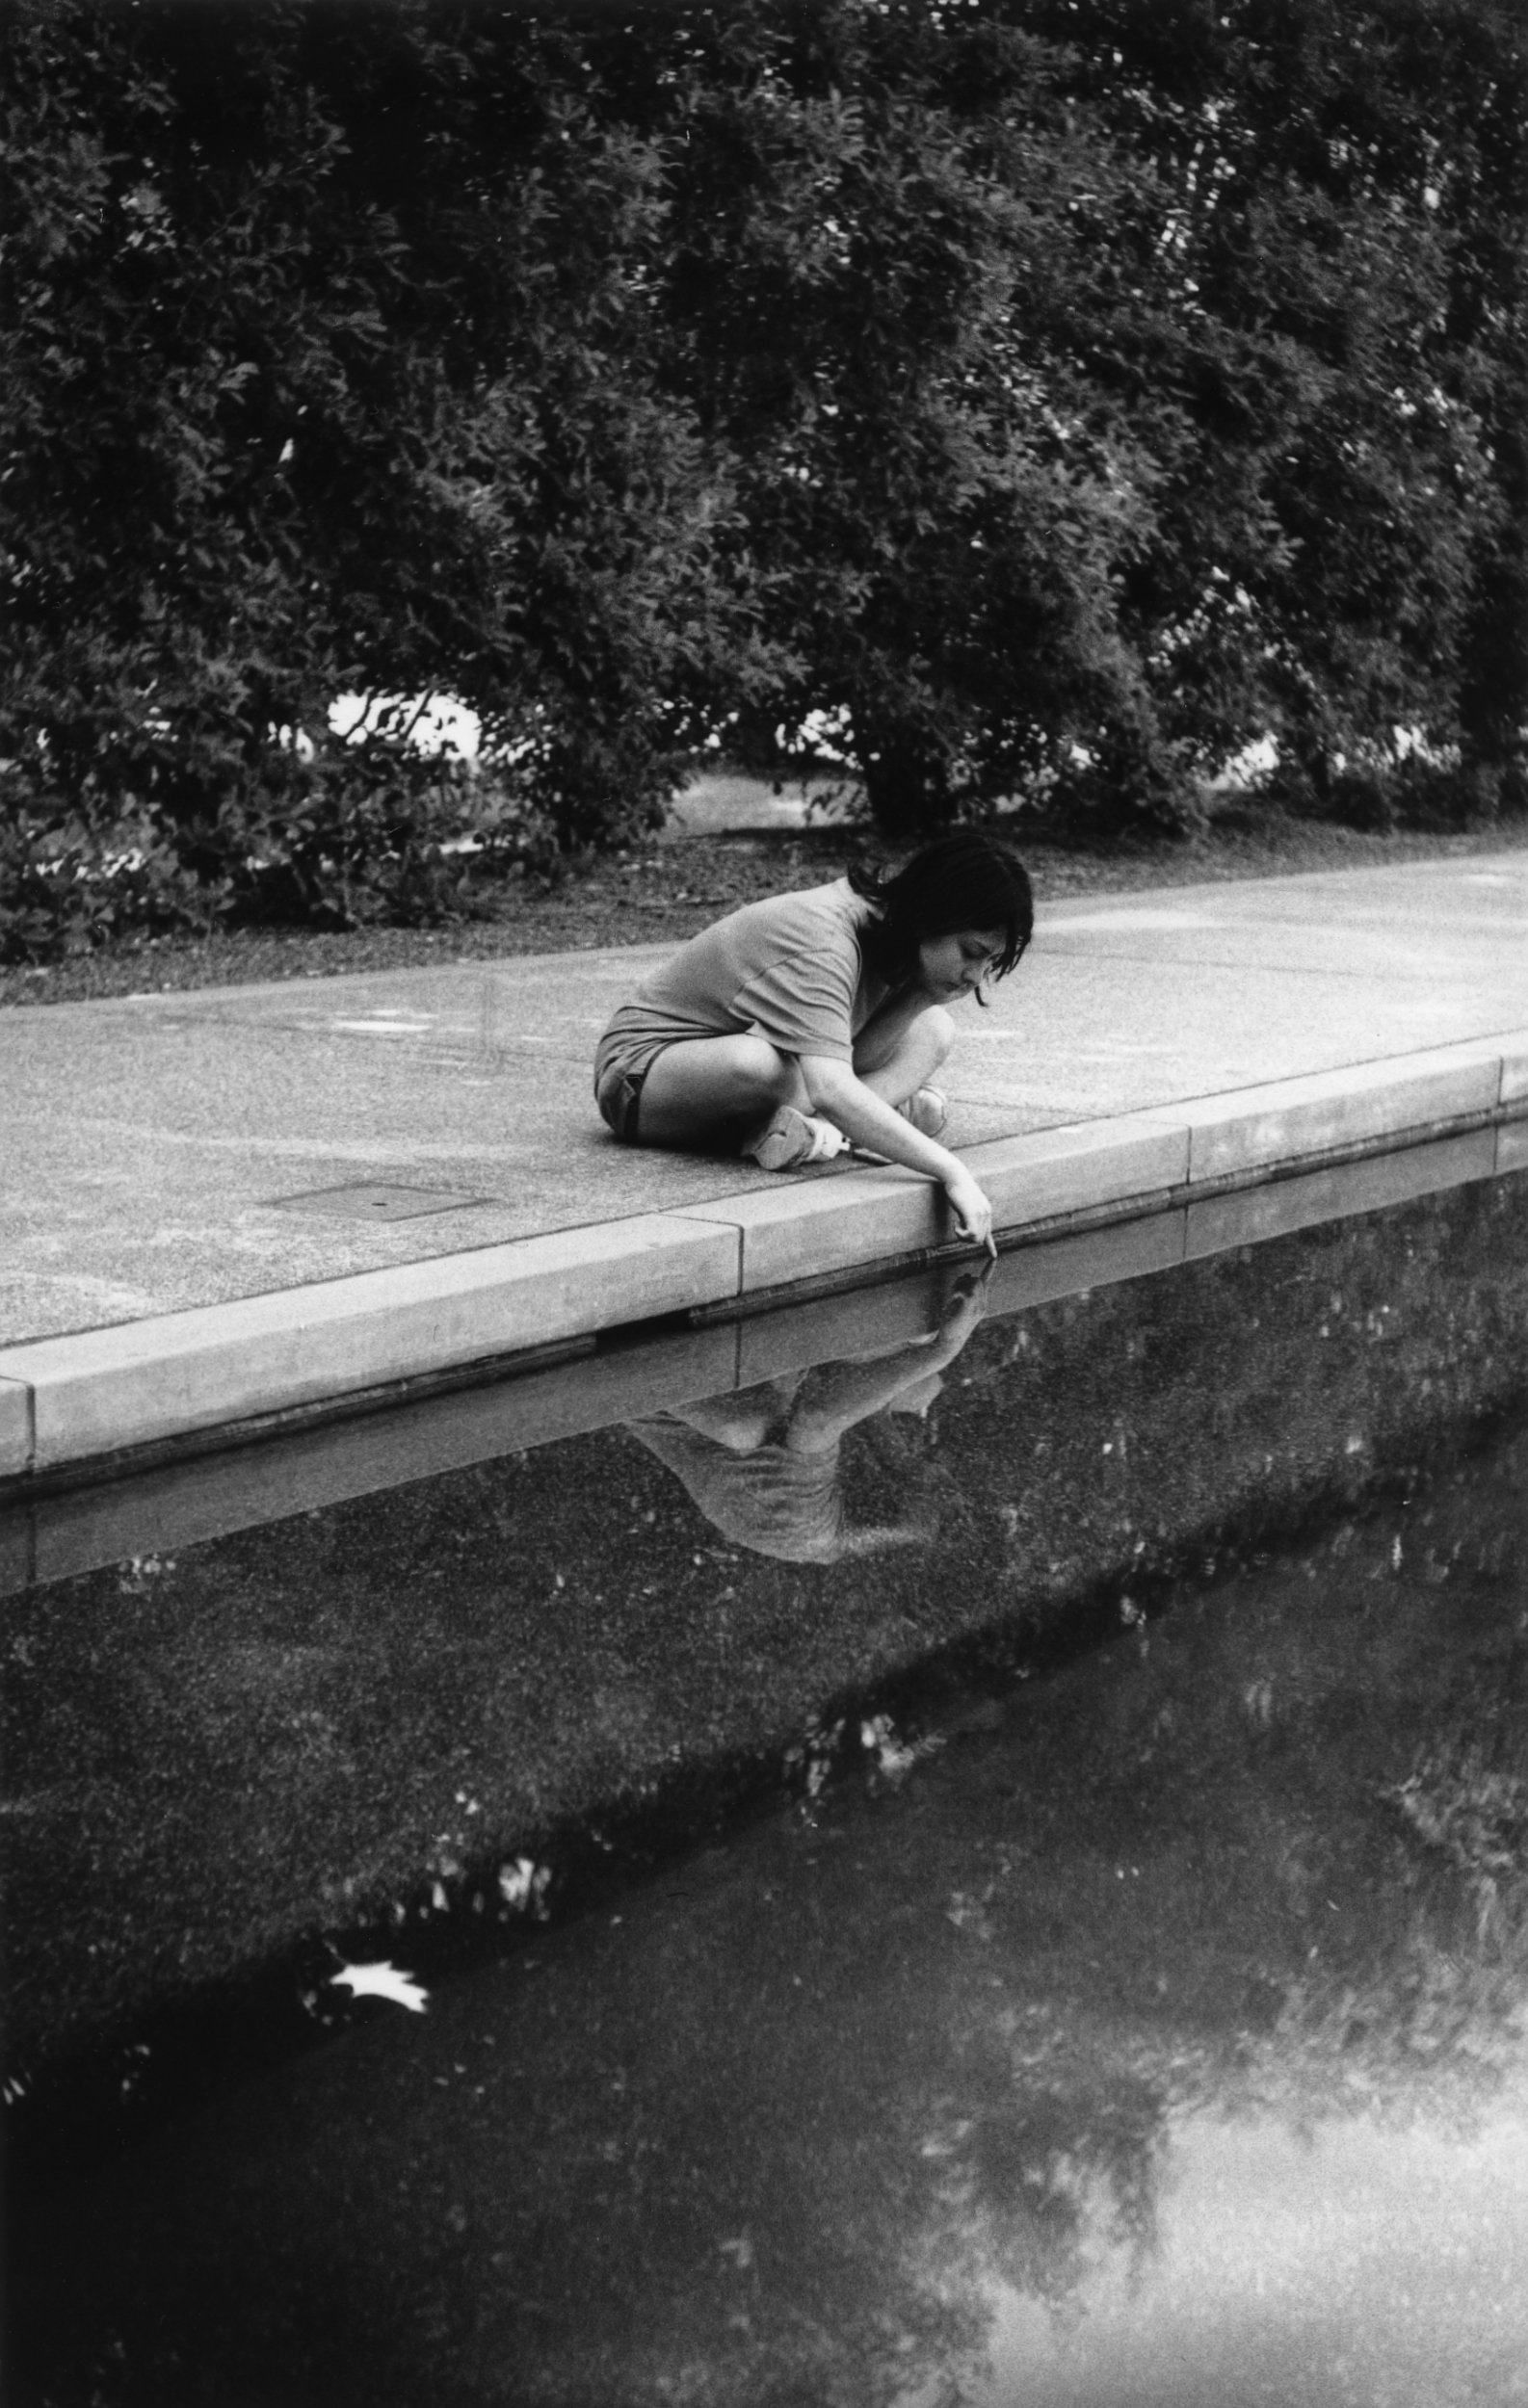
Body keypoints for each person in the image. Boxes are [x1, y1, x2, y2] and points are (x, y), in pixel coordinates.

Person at [593, 830, 1034, 1254]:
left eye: (989, 961)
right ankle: (851, 1124)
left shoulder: (893, 931)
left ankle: (822, 1132)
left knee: (933, 1027)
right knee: (758, 1065)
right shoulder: (824, 939)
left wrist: (921, 995)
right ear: (934, 914)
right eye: (971, 953)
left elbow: (851, 1052)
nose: (975, 977)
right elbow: (829, 1085)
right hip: (638, 1079)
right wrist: (950, 1170)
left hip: (758, 1075)